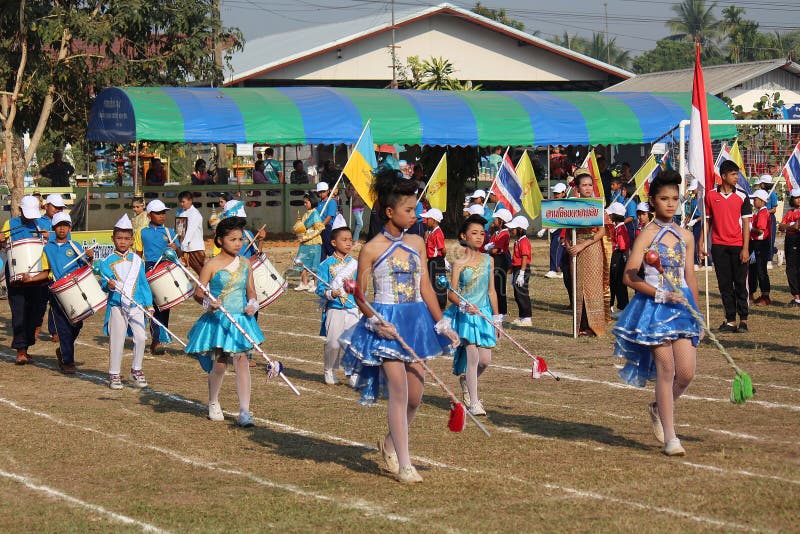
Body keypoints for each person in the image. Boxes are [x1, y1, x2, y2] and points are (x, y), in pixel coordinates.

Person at [340, 168, 458, 484]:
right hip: (385, 323)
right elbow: (360, 295)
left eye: (416, 209)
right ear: (390, 212)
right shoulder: (371, 248)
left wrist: (441, 322)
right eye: (408, 210)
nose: (415, 214)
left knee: (416, 396)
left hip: (415, 321)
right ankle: (405, 463)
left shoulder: (418, 242)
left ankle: (391, 443)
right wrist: (375, 321)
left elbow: (426, 288)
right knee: (398, 390)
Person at [613, 169, 702, 457]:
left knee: (686, 374)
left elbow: (689, 275)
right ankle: (671, 438)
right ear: (653, 201)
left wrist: (698, 312)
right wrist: (658, 293)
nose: (670, 204)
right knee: (667, 369)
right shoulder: (646, 235)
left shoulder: (685, 236)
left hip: (682, 307)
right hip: (653, 307)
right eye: (664, 199)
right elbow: (629, 276)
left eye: (675, 199)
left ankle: (657, 407)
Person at [185, 217, 263, 427]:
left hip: (240, 320)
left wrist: (253, 304)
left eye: (240, 239)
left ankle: (245, 411)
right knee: (219, 365)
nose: (238, 243)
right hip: (219, 321)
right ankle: (213, 402)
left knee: (242, 362)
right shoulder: (211, 264)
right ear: (220, 240)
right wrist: (208, 303)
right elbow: (198, 292)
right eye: (233, 239)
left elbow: (251, 290)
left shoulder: (246, 263)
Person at [22, 212, 92, 374]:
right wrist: (30, 279)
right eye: (59, 226)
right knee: (63, 327)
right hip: (57, 292)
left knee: (77, 324)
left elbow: (86, 268)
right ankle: (68, 361)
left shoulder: (76, 246)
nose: (62, 229)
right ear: (53, 228)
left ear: (70, 228)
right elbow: (46, 272)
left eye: (65, 225)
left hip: (75, 292)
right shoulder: (48, 249)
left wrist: (90, 258)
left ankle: (63, 350)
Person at [445, 214, 499, 416]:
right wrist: (465, 306)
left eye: (482, 234)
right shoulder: (459, 262)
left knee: (485, 360)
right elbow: (451, 293)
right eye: (474, 233)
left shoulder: (489, 260)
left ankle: (467, 382)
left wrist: (497, 318)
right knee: (473, 356)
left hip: (484, 313)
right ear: (463, 236)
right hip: (466, 314)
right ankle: (474, 403)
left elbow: (491, 291)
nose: (479, 237)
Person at [97, 214, 154, 390]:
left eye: (127, 238)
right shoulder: (106, 262)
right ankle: (114, 373)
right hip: (117, 305)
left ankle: (136, 370)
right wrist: (109, 285)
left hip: (136, 304)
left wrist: (149, 304)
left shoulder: (138, 261)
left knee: (140, 336)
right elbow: (103, 285)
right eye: (119, 238)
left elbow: (144, 284)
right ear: (112, 238)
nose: (123, 242)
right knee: (117, 339)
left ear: (132, 240)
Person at [701, 160, 751, 334]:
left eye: (737, 174)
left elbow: (746, 224)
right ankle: (730, 321)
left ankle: (743, 320)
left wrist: (745, 248)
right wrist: (702, 242)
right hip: (719, 246)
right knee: (724, 285)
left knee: (740, 283)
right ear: (723, 176)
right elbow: (708, 221)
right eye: (733, 174)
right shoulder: (710, 196)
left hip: (738, 245)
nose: (737, 177)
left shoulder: (743, 196)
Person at [0, 195, 50, 364]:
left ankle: (26, 345)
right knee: (19, 311)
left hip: (37, 275)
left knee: (36, 311)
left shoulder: (44, 225)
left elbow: (55, 245)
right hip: (16, 274)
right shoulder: (10, 224)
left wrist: (49, 238)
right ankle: (21, 350)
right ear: (20, 210)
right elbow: (3, 245)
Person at [134, 199, 182, 354]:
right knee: (153, 306)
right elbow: (138, 254)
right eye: (158, 213)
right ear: (149, 215)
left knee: (165, 306)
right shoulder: (142, 232)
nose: (162, 216)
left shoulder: (170, 232)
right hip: (149, 268)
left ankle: (161, 337)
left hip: (166, 268)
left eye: (164, 213)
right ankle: (156, 340)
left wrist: (176, 249)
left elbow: (180, 254)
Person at [315, 220, 360, 385]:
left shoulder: (355, 264)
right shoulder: (325, 265)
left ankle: (353, 373)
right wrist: (330, 293)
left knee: (353, 342)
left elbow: (359, 286)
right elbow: (320, 289)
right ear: (334, 243)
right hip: (334, 308)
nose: (349, 243)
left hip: (352, 308)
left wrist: (355, 290)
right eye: (344, 240)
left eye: (350, 240)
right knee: (333, 343)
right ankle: (329, 369)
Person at [563, 170, 607, 337]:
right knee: (577, 285)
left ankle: (594, 326)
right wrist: (569, 245)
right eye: (584, 185)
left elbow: (602, 232)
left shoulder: (597, 205)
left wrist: (583, 245)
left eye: (590, 185)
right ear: (578, 188)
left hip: (592, 246)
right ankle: (580, 326)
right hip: (575, 248)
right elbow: (567, 229)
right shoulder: (572, 205)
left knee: (593, 286)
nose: (588, 188)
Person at [483, 208, 512, 320]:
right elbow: (491, 244)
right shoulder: (496, 233)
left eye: (496, 218)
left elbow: (495, 250)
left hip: (500, 260)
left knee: (499, 286)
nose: (494, 220)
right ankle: (495, 309)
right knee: (492, 285)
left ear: (501, 221)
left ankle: (502, 311)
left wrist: (489, 249)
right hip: (494, 260)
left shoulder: (505, 234)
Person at [294, 193, 325, 291]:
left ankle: (315, 285)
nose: (304, 204)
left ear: (311, 202)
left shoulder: (315, 214)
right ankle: (304, 283)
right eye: (304, 202)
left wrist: (307, 236)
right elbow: (302, 227)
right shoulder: (305, 214)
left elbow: (319, 229)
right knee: (301, 261)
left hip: (314, 242)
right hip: (304, 242)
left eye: (306, 202)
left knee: (314, 265)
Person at [607, 202, 631, 318]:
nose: (609, 217)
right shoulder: (617, 227)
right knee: (614, 282)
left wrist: (626, 261)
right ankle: (614, 305)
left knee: (619, 283)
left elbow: (623, 246)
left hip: (619, 256)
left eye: (610, 215)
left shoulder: (621, 229)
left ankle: (623, 307)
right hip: (616, 256)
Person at [748, 189, 772, 306]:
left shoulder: (763, 213)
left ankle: (765, 296)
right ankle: (752, 294)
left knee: (761, 270)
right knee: (753, 270)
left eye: (755, 199)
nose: (754, 201)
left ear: (762, 201)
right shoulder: (758, 213)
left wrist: (750, 228)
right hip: (755, 244)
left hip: (760, 245)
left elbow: (760, 231)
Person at [507, 215, 532, 327]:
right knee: (517, 294)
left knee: (522, 293)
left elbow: (525, 257)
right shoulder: (517, 241)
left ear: (520, 229)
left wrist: (522, 273)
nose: (511, 231)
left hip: (523, 269)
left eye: (513, 229)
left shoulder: (524, 241)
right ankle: (522, 317)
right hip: (517, 269)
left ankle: (527, 318)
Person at [421, 208, 447, 310]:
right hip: (432, 261)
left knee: (439, 282)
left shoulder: (438, 233)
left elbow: (443, 249)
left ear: (434, 220)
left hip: (437, 260)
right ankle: (432, 302)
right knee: (431, 282)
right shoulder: (431, 232)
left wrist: (442, 259)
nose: (426, 221)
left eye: (428, 219)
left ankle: (440, 304)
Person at [778, 189, 800, 307]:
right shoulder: (790, 213)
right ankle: (796, 298)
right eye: (796, 197)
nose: (799, 200)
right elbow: (781, 226)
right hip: (791, 241)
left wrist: (789, 227)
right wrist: (791, 226)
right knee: (791, 268)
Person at [177, 191, 205, 275]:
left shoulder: (194, 213)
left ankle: (208, 287)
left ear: (190, 201)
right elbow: (179, 231)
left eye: (183, 202)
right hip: (184, 248)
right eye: (180, 202)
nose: (182, 204)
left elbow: (190, 231)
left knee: (202, 272)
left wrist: (184, 245)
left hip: (195, 248)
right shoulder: (180, 213)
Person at [755, 175, 779, 267]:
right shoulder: (759, 194)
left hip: (769, 218)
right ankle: (775, 252)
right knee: (761, 238)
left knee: (770, 238)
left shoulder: (772, 194)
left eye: (761, 184)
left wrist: (764, 211)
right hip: (760, 217)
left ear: (764, 184)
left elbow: (773, 209)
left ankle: (769, 259)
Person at [545, 183, 567, 279]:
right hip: (554, 230)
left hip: (561, 230)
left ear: (563, 193)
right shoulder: (554, 203)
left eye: (558, 193)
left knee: (556, 250)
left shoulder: (566, 204)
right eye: (555, 193)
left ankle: (554, 269)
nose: (556, 195)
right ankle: (560, 269)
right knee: (556, 249)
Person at [316, 182, 338, 260]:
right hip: (319, 229)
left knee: (331, 248)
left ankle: (338, 264)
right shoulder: (318, 204)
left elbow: (330, 216)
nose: (321, 194)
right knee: (321, 250)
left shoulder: (331, 202)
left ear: (328, 191)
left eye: (323, 191)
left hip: (327, 228)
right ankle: (322, 267)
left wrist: (321, 226)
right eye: (320, 192)